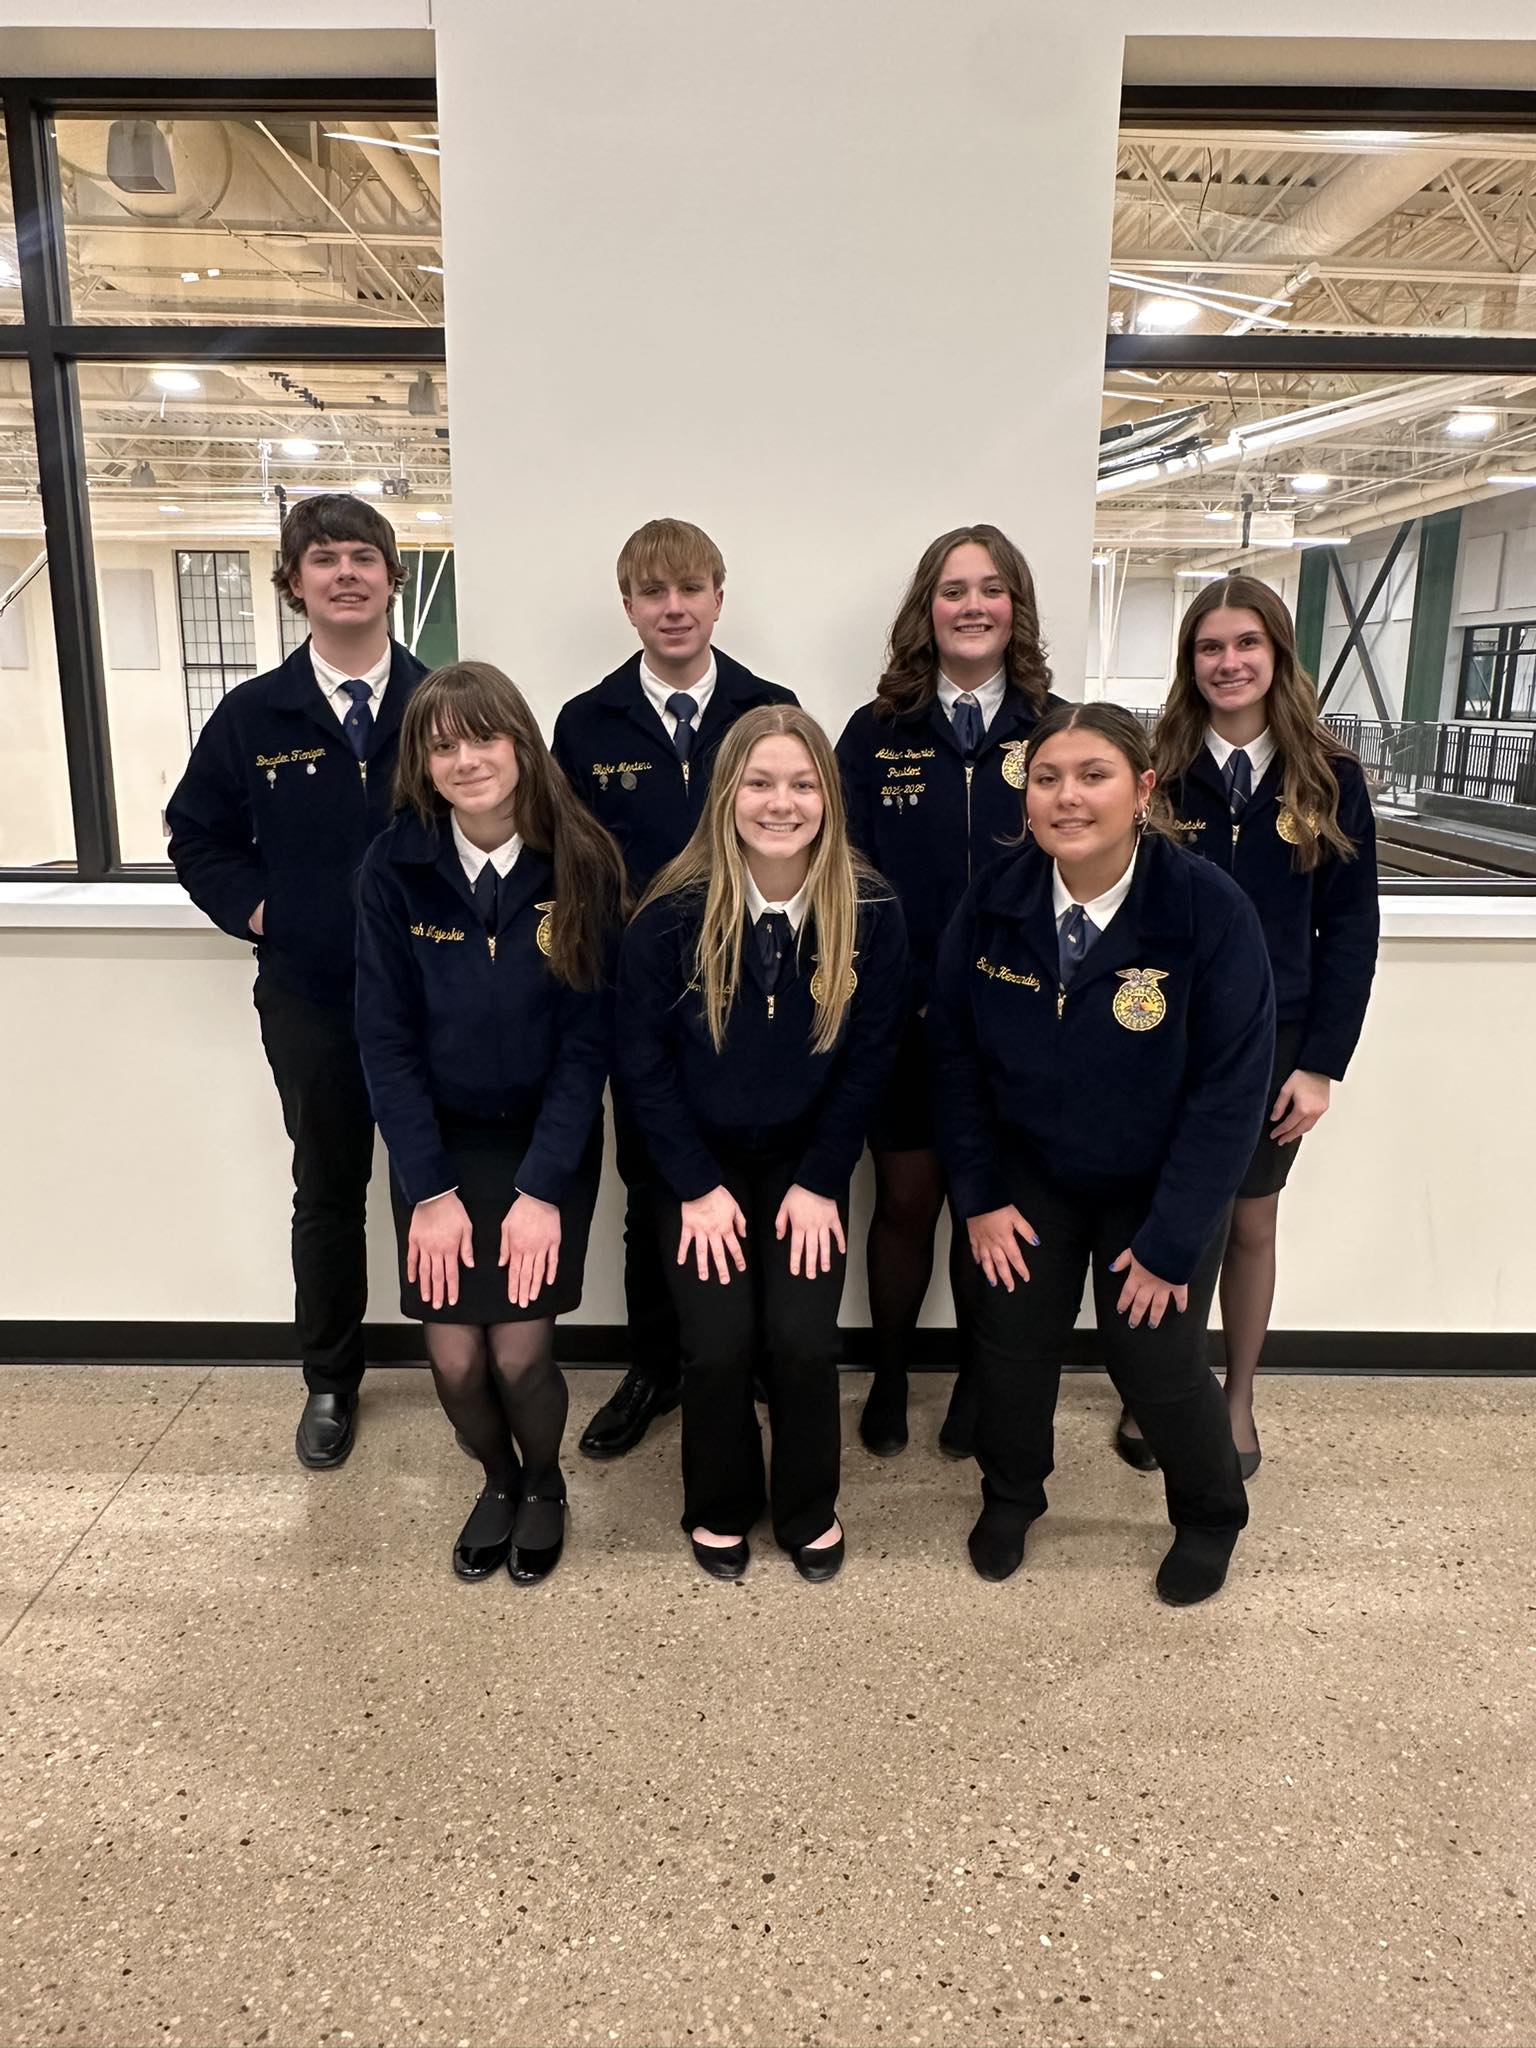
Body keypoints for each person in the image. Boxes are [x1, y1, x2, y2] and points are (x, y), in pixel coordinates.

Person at [930, 702, 1275, 1606]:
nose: (1067, 797)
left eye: (1093, 776)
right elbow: (953, 1057)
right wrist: (978, 1196)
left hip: (1156, 1185)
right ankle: (1012, 1495)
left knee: (1155, 1361)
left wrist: (1172, 1241)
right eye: (1047, 779)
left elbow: (1229, 1095)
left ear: (1143, 789)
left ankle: (1210, 1513)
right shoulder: (994, 900)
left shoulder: (1207, 910)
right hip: (1027, 1177)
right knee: (1011, 1346)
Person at [616, 705, 907, 1583]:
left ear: (830, 798)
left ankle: (809, 1506)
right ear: (726, 794)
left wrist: (821, 1179)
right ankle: (720, 1504)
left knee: (802, 1340)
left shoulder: (872, 911)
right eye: (760, 782)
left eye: (802, 784)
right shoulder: (669, 915)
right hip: (697, 1168)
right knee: (716, 1344)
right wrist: (694, 1186)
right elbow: (642, 1066)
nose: (782, 803)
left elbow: (871, 1059)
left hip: (804, 1165)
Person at [167, 494, 427, 1470]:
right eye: (324, 559)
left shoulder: (444, 705)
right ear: (293, 583)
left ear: (393, 577)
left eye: (363, 556)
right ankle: (330, 1378)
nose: (345, 573)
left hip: (433, 996)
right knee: (327, 1188)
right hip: (311, 996)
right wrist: (264, 912)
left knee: (436, 1182)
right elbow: (197, 835)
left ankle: (461, 1359)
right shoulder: (253, 715)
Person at [354, 662, 628, 1583]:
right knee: (455, 1360)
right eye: (443, 746)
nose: (466, 760)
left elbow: (588, 1047)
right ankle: (498, 1480)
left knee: (516, 1354)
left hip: (545, 1143)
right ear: (422, 764)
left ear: (521, 744)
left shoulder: (582, 861)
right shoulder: (392, 869)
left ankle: (544, 1483)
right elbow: (385, 1042)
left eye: (484, 737)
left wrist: (542, 1190)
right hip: (438, 1146)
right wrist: (428, 1191)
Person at [1111, 576, 1379, 1481]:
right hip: (1161, 1035)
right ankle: (1156, 1387)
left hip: (1277, 1044)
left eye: (1246, 644)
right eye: (1209, 647)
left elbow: (1351, 932)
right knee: (1166, 1216)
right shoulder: (1157, 768)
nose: (1228, 663)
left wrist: (1322, 1063)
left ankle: (1236, 1397)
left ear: (1278, 655)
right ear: (1190, 662)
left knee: (1251, 1224)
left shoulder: (1329, 778)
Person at [552, 519, 797, 1461]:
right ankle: (655, 1365)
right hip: (642, 1003)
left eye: (691, 588)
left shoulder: (768, 708)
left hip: (762, 990)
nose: (674, 607)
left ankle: (757, 1354)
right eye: (653, 592)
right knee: (652, 1184)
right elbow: (575, 870)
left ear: (718, 599)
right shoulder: (586, 722)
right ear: (628, 607)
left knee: (763, 1177)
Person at [835, 523, 1059, 1461]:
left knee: (989, 1211)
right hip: (904, 1022)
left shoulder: (1056, 731)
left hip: (1019, 1025)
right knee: (906, 1203)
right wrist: (897, 991)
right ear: (926, 609)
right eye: (954, 589)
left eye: (992, 588)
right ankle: (889, 1375)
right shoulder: (875, 732)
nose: (974, 606)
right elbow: (845, 877)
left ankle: (977, 1379)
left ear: (1017, 607)